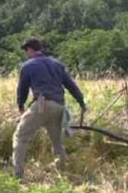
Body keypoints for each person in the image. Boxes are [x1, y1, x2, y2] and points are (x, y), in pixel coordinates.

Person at [12, 37, 87, 180]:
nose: (26, 54)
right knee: (57, 143)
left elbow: (22, 89)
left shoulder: (28, 66)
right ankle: (64, 173)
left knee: (20, 137)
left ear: (30, 49)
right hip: (59, 106)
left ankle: (18, 175)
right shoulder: (57, 64)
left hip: (42, 104)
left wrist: (21, 106)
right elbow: (70, 85)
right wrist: (81, 102)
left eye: (26, 51)